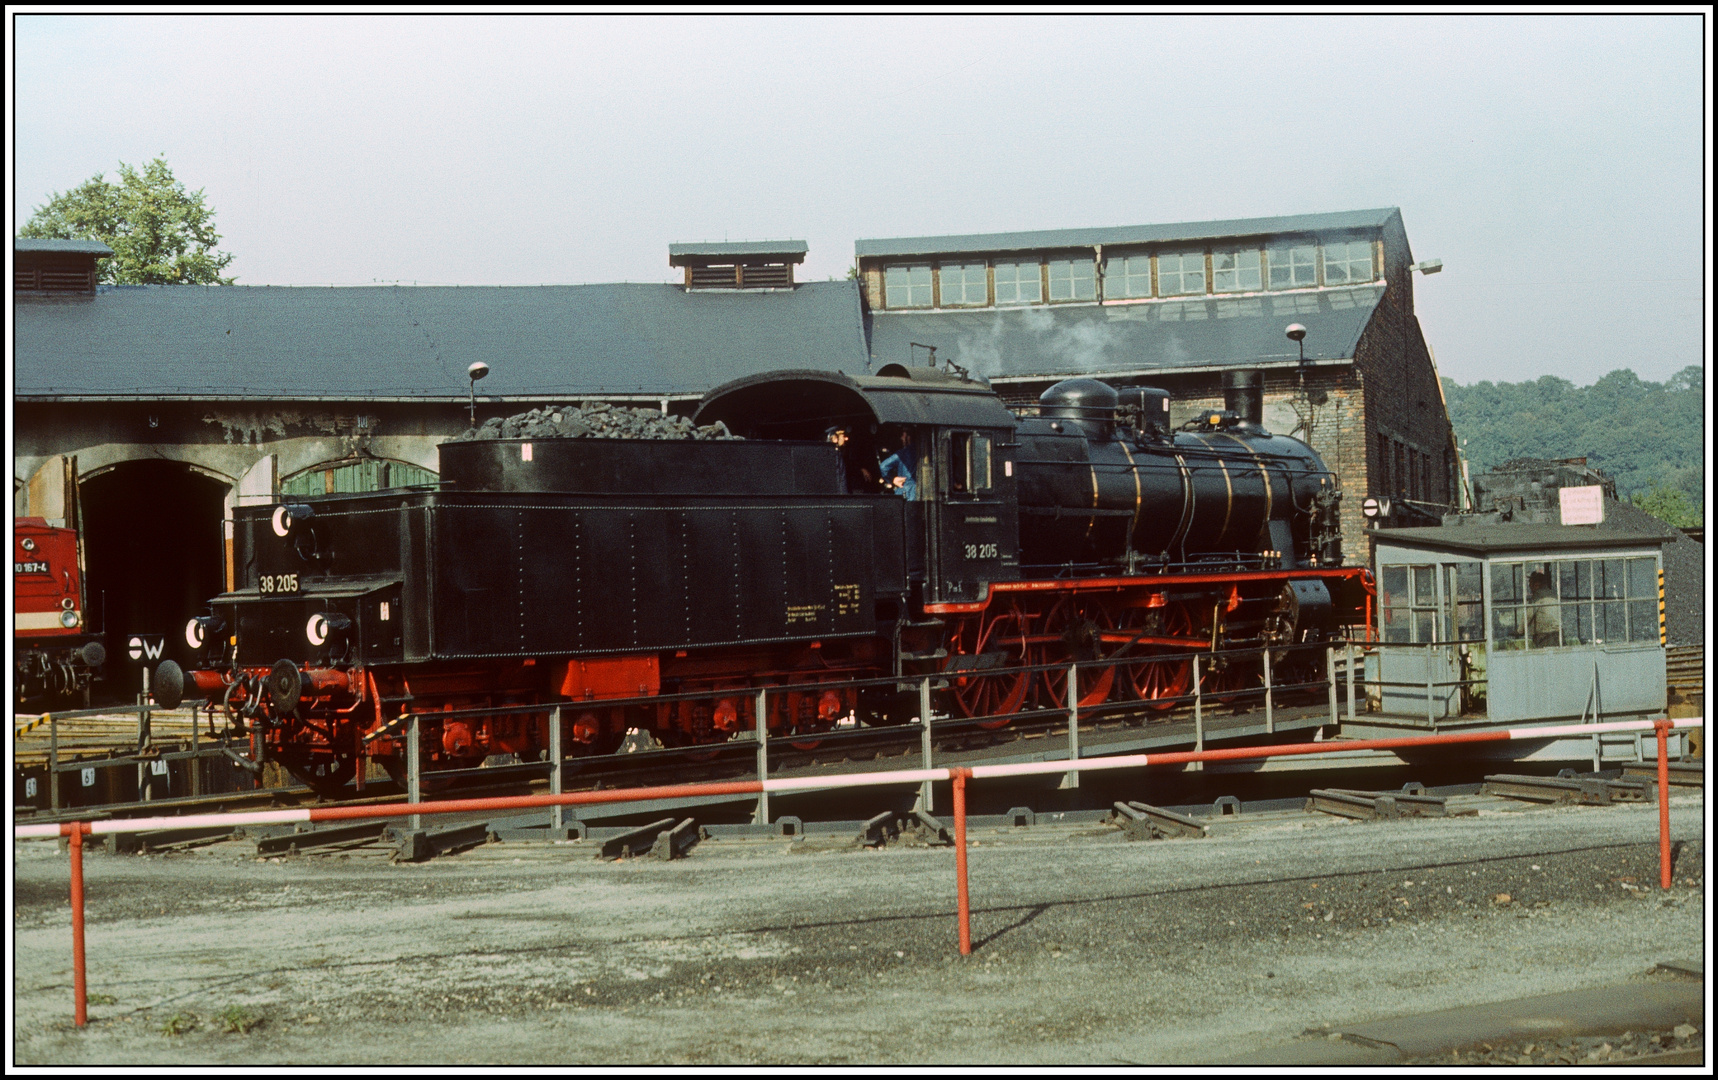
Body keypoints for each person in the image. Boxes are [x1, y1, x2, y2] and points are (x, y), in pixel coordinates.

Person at [878, 429, 918, 500]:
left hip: (904, 490)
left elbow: (883, 466)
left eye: (903, 435)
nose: (901, 438)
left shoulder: (902, 454)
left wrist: (892, 479)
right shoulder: (924, 453)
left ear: (908, 437)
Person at [1526, 569, 1562, 648]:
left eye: (1530, 585)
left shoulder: (1537, 596)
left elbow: (1528, 615)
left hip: (1544, 636)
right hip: (1558, 633)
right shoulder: (1553, 594)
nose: (1530, 588)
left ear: (1537, 585)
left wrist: (1520, 630)